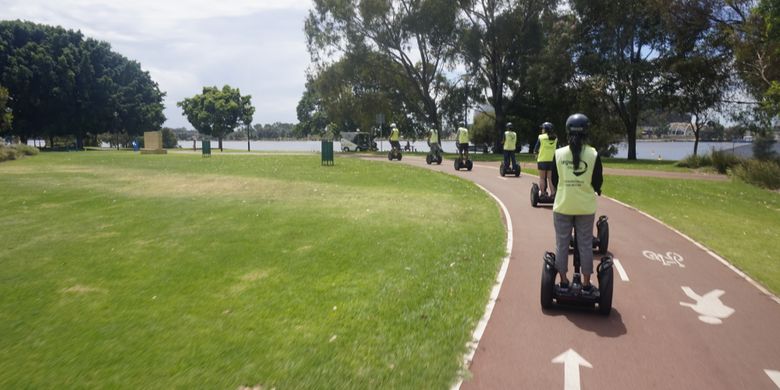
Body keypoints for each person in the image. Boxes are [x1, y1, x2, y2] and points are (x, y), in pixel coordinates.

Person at [551, 113, 603, 294]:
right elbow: (597, 182)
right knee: (585, 244)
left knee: (562, 244)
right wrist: (596, 189)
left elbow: (555, 180)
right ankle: (587, 284)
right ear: (586, 132)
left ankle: (564, 282)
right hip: (585, 207)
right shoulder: (593, 154)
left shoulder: (558, 154)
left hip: (563, 205)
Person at [534, 122, 558, 196]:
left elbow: (536, 149)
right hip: (552, 161)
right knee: (550, 178)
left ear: (545, 129)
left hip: (542, 160)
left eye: (543, 128)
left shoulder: (541, 137)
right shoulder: (555, 138)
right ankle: (553, 193)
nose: (542, 130)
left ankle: (543, 193)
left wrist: (536, 154)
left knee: (542, 178)